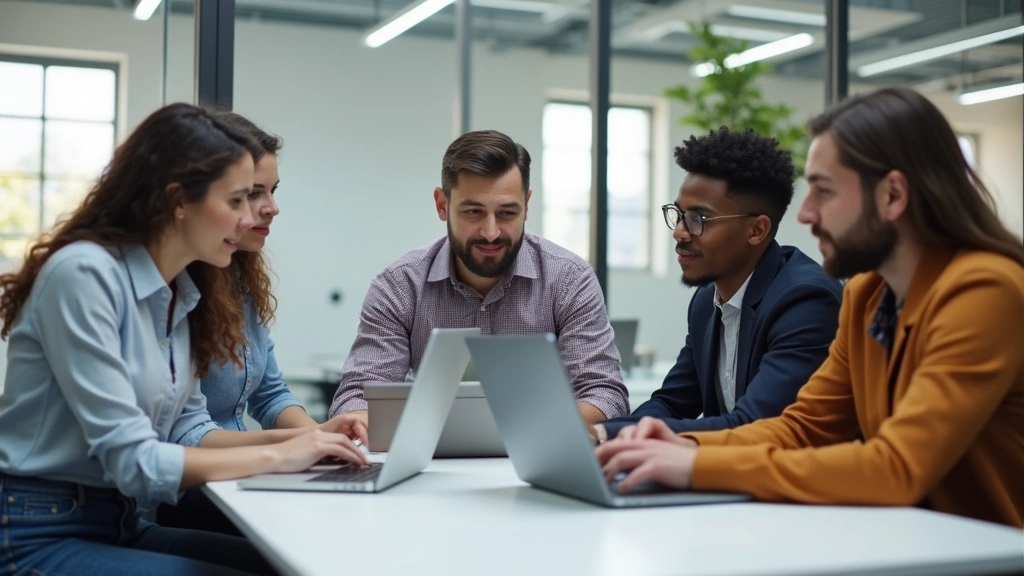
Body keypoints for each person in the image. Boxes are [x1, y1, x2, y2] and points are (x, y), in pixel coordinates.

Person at [596, 87, 1024, 528]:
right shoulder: (867, 294)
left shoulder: (985, 288)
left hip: (985, 554)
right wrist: (682, 448)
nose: (804, 214)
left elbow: (897, 467)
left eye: (824, 191)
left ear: (893, 196)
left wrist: (695, 467)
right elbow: (801, 428)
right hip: (905, 541)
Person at [0, 103, 369, 576]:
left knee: (292, 565)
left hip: (122, 521)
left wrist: (314, 440)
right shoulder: (85, 275)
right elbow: (135, 462)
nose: (249, 218)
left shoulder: (177, 293)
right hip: (37, 532)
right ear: (178, 200)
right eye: (236, 200)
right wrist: (281, 454)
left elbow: (187, 425)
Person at [330, 129, 628, 441]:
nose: (490, 232)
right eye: (473, 212)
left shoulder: (569, 279)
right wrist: (359, 420)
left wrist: (527, 431)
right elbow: (358, 395)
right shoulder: (400, 285)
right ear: (442, 204)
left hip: (543, 459)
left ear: (526, 205)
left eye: (507, 213)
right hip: (430, 469)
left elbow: (604, 393)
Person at [594, 127, 842, 442]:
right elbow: (671, 403)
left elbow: (753, 425)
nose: (679, 233)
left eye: (699, 220)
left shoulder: (805, 300)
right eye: (679, 215)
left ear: (756, 230)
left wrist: (604, 434)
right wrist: (600, 436)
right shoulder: (705, 302)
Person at [158, 113, 341, 535]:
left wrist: (321, 438)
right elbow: (184, 434)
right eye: (247, 195)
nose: (270, 208)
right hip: (199, 487)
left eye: (270, 192)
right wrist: (294, 448)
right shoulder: (170, 287)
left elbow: (270, 392)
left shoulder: (237, 276)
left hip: (232, 477)